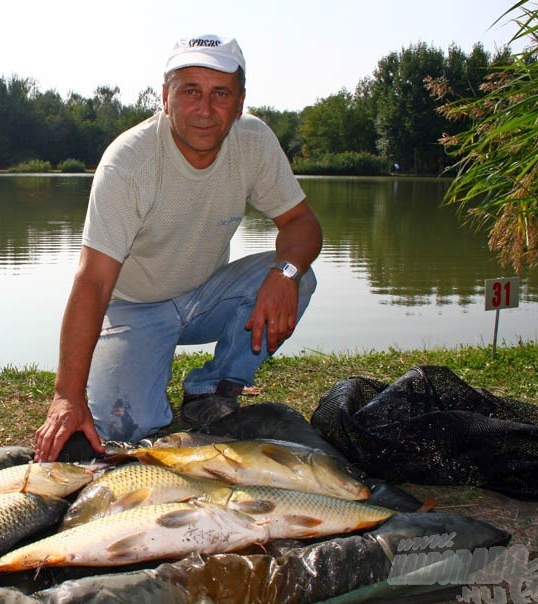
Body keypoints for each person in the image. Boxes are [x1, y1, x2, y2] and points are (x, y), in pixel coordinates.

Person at [33, 34, 322, 462]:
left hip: (206, 295)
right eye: (190, 91)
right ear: (165, 97)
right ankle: (141, 365)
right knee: (128, 428)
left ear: (239, 103)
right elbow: (93, 283)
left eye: (220, 93)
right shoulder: (128, 162)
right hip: (133, 306)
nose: (205, 109)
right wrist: (66, 396)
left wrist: (285, 275)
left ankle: (213, 390)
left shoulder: (254, 142)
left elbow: (301, 223)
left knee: (299, 276)